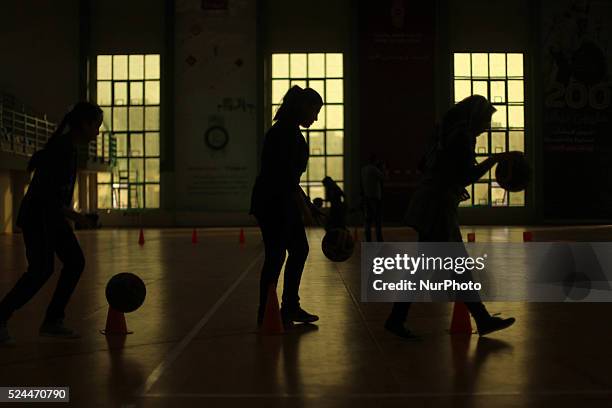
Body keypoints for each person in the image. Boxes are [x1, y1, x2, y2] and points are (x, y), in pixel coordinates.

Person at [385, 95, 516, 339]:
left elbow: (423, 166)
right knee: (452, 267)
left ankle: (397, 318)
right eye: (486, 120)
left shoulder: (444, 133)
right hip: (438, 209)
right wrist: (495, 160)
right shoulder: (463, 136)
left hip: (430, 204)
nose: (486, 126)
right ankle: (481, 318)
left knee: (438, 268)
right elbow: (466, 176)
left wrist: (445, 177)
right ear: (474, 117)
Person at [0, 102, 103, 345]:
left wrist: (77, 216)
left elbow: (58, 198)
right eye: (96, 126)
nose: (97, 132)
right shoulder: (62, 149)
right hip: (39, 218)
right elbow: (48, 199)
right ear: (85, 124)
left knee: (75, 262)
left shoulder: (71, 149)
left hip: (52, 218)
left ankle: (53, 321)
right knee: (41, 270)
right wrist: (80, 219)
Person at [250, 86, 324, 328]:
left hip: (278, 201)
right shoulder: (285, 134)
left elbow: (290, 179)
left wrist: (308, 206)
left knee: (296, 250)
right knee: (276, 255)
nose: (315, 118)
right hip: (273, 203)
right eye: (315, 111)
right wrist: (304, 210)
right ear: (304, 107)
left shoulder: (287, 132)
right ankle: (268, 312)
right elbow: (285, 179)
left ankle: (287, 307)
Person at [361, 155, 386, 242]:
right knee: (377, 219)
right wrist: (382, 168)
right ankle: (379, 238)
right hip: (375, 197)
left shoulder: (363, 169)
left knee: (368, 219)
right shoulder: (374, 169)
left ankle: (368, 238)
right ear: (375, 161)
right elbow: (383, 177)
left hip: (366, 196)